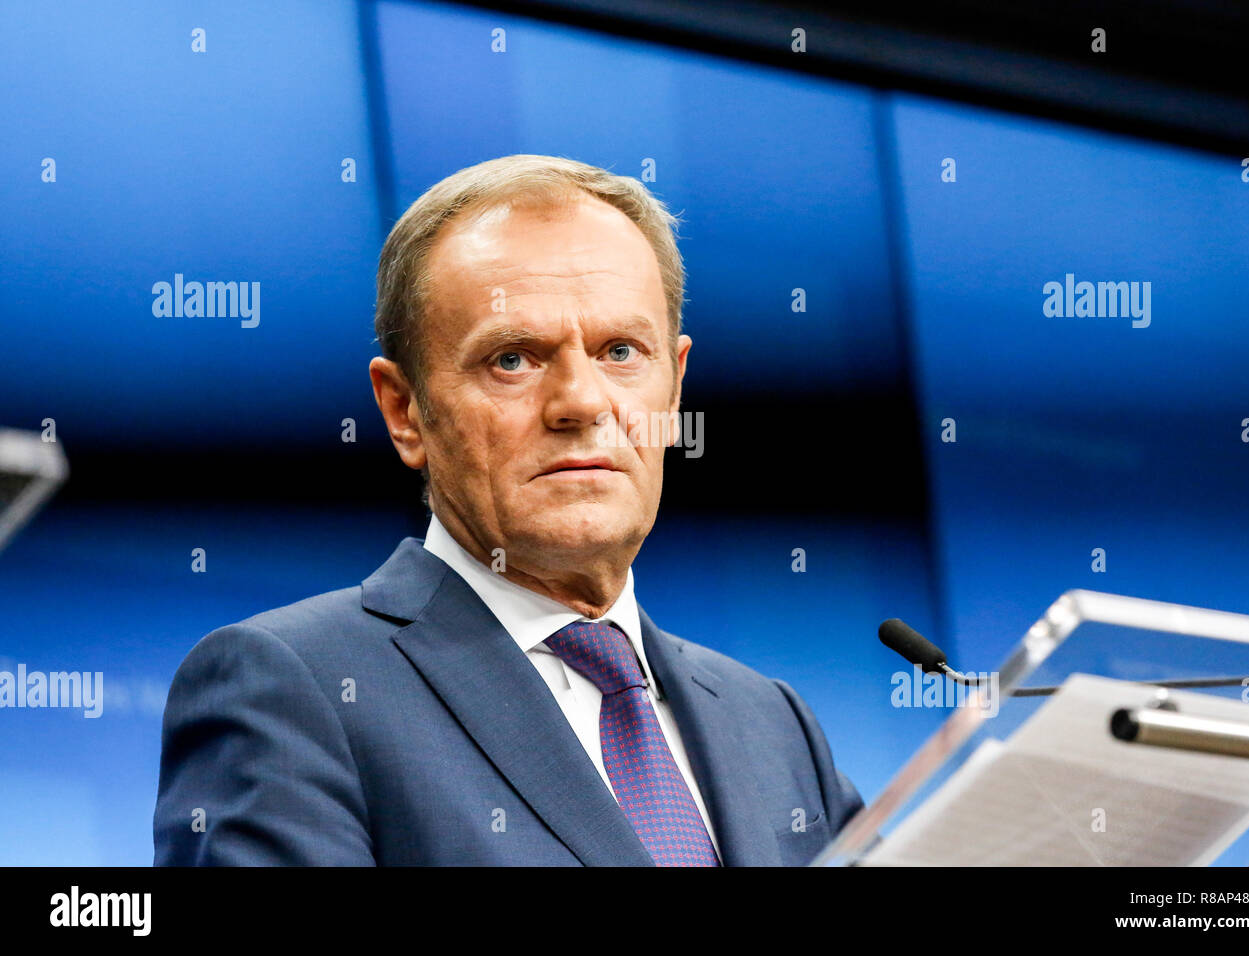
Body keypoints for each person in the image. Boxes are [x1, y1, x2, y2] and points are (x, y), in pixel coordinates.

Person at [153, 154, 863, 866]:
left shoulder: (773, 723)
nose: (582, 403)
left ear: (674, 391)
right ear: (405, 412)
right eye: (512, 360)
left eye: (620, 351)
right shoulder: (291, 688)